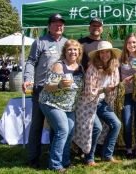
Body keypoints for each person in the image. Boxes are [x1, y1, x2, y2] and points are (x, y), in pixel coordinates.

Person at [74, 41, 132, 167]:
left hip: (101, 102)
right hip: (87, 103)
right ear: (98, 55)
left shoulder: (114, 68)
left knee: (116, 124)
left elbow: (113, 87)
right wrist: (105, 90)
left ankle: (107, 155)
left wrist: (123, 83)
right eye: (102, 52)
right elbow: (89, 91)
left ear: (111, 53)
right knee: (97, 127)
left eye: (107, 52)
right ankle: (89, 158)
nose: (104, 54)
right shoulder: (92, 68)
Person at [22, 13, 68, 169]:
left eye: (61, 24)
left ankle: (54, 155)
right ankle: (33, 157)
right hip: (41, 89)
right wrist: (27, 78)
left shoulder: (67, 43)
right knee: (37, 124)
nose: (59, 26)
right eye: (55, 24)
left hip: (59, 91)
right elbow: (30, 61)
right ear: (49, 26)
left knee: (57, 125)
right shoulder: (39, 41)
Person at [39, 39, 84, 172]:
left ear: (79, 52)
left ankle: (65, 160)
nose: (72, 52)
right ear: (65, 51)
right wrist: (60, 85)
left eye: (75, 49)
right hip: (51, 103)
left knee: (69, 132)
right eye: (69, 49)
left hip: (69, 106)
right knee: (62, 130)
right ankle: (55, 164)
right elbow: (46, 86)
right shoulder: (59, 65)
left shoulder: (80, 67)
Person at [77, 16, 104, 158]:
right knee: (87, 122)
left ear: (102, 28)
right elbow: (74, 63)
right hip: (86, 90)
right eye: (93, 25)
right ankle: (83, 148)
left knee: (100, 123)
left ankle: (96, 148)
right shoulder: (81, 44)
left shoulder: (105, 45)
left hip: (102, 92)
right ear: (89, 28)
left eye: (98, 26)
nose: (96, 28)